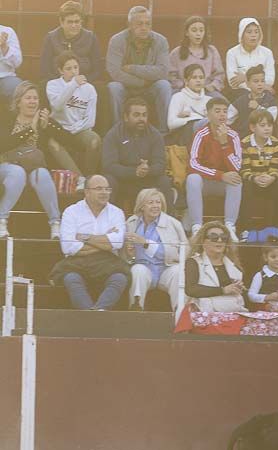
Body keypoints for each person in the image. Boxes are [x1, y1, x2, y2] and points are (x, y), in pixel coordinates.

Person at [51, 174, 128, 311]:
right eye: (99, 189)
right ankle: (88, 313)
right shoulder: (71, 212)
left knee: (120, 278)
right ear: (87, 192)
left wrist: (85, 238)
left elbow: (117, 243)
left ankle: (99, 310)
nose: (104, 192)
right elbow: (69, 247)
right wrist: (105, 242)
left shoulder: (117, 212)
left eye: (107, 189)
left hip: (107, 262)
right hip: (77, 262)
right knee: (71, 278)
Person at [0, 81, 66, 239]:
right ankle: (1, 219)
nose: (32, 101)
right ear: (18, 102)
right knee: (18, 173)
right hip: (7, 166)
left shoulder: (42, 121)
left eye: (35, 98)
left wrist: (49, 124)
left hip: (33, 168)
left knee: (42, 174)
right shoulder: (8, 119)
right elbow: (3, 144)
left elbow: (67, 139)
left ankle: (55, 223)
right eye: (28, 98)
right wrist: (31, 129)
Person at [106, 6, 172, 129]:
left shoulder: (161, 41)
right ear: (130, 25)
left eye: (148, 24)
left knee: (164, 85)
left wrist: (132, 68)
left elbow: (163, 71)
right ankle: (118, 131)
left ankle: (165, 133)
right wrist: (142, 81)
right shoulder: (117, 40)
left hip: (150, 88)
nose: (144, 28)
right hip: (126, 87)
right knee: (113, 87)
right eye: (139, 24)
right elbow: (115, 72)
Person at [101, 97, 173, 210]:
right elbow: (109, 166)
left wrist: (148, 170)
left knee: (164, 181)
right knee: (108, 180)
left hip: (147, 180)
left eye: (144, 115)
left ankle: (167, 222)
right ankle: (108, 221)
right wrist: (134, 172)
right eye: (136, 115)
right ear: (126, 117)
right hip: (123, 181)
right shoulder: (113, 134)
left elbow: (160, 164)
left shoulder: (155, 135)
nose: (141, 119)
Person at [125, 186, 187, 311]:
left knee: (178, 272)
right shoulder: (131, 222)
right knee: (137, 270)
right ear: (142, 206)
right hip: (144, 268)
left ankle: (180, 311)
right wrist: (130, 253)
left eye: (158, 202)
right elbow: (126, 255)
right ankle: (136, 309)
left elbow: (174, 253)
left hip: (166, 268)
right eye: (151, 202)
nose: (155, 206)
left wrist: (145, 243)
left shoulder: (173, 223)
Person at [186, 97, 242, 234]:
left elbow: (236, 167)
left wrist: (224, 144)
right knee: (192, 178)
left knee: (236, 180)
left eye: (225, 111)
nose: (222, 115)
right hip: (205, 182)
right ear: (208, 114)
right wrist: (220, 175)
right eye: (217, 111)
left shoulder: (233, 136)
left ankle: (230, 226)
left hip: (223, 184)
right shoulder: (201, 134)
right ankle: (197, 227)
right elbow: (193, 164)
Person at [45, 51, 100, 176]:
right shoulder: (53, 85)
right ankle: (79, 178)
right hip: (59, 130)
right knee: (53, 144)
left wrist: (74, 129)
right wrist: (73, 85)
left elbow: (90, 120)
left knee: (94, 140)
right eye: (68, 68)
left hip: (79, 130)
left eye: (76, 67)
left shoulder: (89, 89)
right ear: (60, 71)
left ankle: (89, 178)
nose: (74, 72)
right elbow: (57, 106)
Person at [184, 221, 246, 313]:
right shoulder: (193, 262)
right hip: (204, 312)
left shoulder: (233, 264)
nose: (219, 240)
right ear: (203, 241)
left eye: (223, 238)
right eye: (214, 237)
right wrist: (223, 290)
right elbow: (191, 289)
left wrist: (239, 288)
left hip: (233, 309)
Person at [239, 109, 278, 231]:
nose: (267, 129)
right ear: (252, 128)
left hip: (269, 180)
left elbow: (275, 167)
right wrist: (255, 178)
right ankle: (246, 229)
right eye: (262, 125)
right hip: (252, 180)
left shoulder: (276, 143)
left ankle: (275, 228)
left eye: (269, 125)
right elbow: (244, 170)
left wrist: (272, 177)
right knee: (244, 187)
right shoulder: (244, 143)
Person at [40, 2, 103, 83]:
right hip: (57, 83)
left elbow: (97, 70)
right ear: (61, 22)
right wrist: (61, 83)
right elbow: (45, 69)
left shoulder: (91, 38)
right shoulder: (51, 38)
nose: (74, 25)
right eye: (70, 22)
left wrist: (82, 81)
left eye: (77, 22)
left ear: (81, 22)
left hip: (84, 83)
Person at [167, 16, 224, 95]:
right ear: (187, 33)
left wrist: (212, 86)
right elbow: (171, 76)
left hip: (206, 91)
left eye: (201, 30)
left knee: (223, 104)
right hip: (183, 91)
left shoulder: (212, 51)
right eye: (194, 30)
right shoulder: (176, 53)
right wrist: (184, 85)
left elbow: (219, 74)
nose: (198, 34)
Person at [247, 239, 278, 313]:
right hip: (264, 312)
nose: (277, 259)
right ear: (265, 257)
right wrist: (267, 297)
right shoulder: (260, 275)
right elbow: (251, 295)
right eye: (273, 257)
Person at [165, 63, 211, 146]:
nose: (198, 80)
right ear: (186, 81)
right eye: (194, 77)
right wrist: (193, 118)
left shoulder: (209, 100)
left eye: (201, 77)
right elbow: (171, 124)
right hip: (185, 136)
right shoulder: (178, 97)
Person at [225, 17, 275, 92]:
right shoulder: (232, 53)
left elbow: (270, 79)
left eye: (256, 32)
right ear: (241, 34)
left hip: (262, 91)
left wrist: (245, 78)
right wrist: (260, 83)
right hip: (241, 92)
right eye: (249, 32)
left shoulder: (267, 53)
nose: (253, 35)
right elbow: (233, 81)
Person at [227, 66, 278, 137]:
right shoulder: (241, 100)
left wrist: (258, 107)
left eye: (262, 81)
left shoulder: (271, 100)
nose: (260, 84)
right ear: (247, 84)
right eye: (256, 81)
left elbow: (271, 119)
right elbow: (228, 119)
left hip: (264, 139)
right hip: (243, 139)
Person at [0, 21, 23, 100]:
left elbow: (17, 62)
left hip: (5, 77)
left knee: (17, 87)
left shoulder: (8, 32)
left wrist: (4, 47)